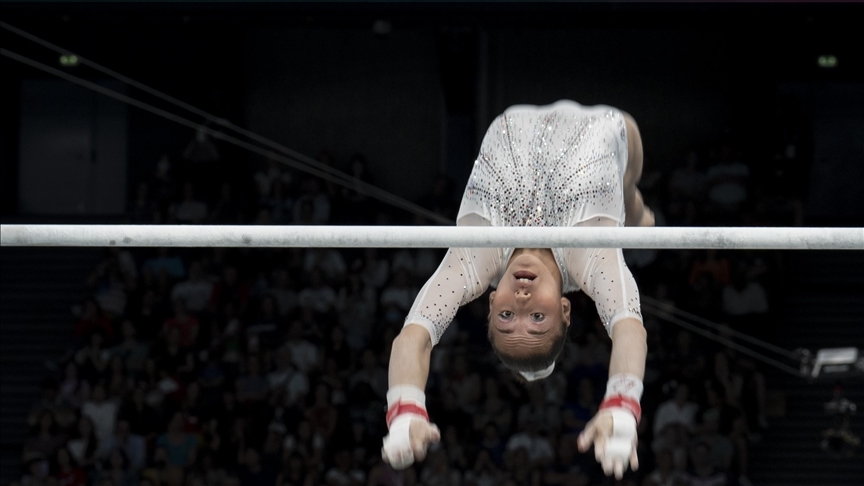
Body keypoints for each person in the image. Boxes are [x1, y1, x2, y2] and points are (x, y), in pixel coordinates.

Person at [382, 100, 653, 479]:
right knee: (629, 202)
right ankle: (636, 212)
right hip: (607, 124)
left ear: (491, 302)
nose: (522, 301)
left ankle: (636, 218)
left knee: (629, 218)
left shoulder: (476, 259)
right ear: (566, 309)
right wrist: (622, 405)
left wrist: (405, 408)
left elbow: (415, 337)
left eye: (507, 316)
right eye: (538, 318)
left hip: (514, 117)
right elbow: (628, 328)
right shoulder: (590, 257)